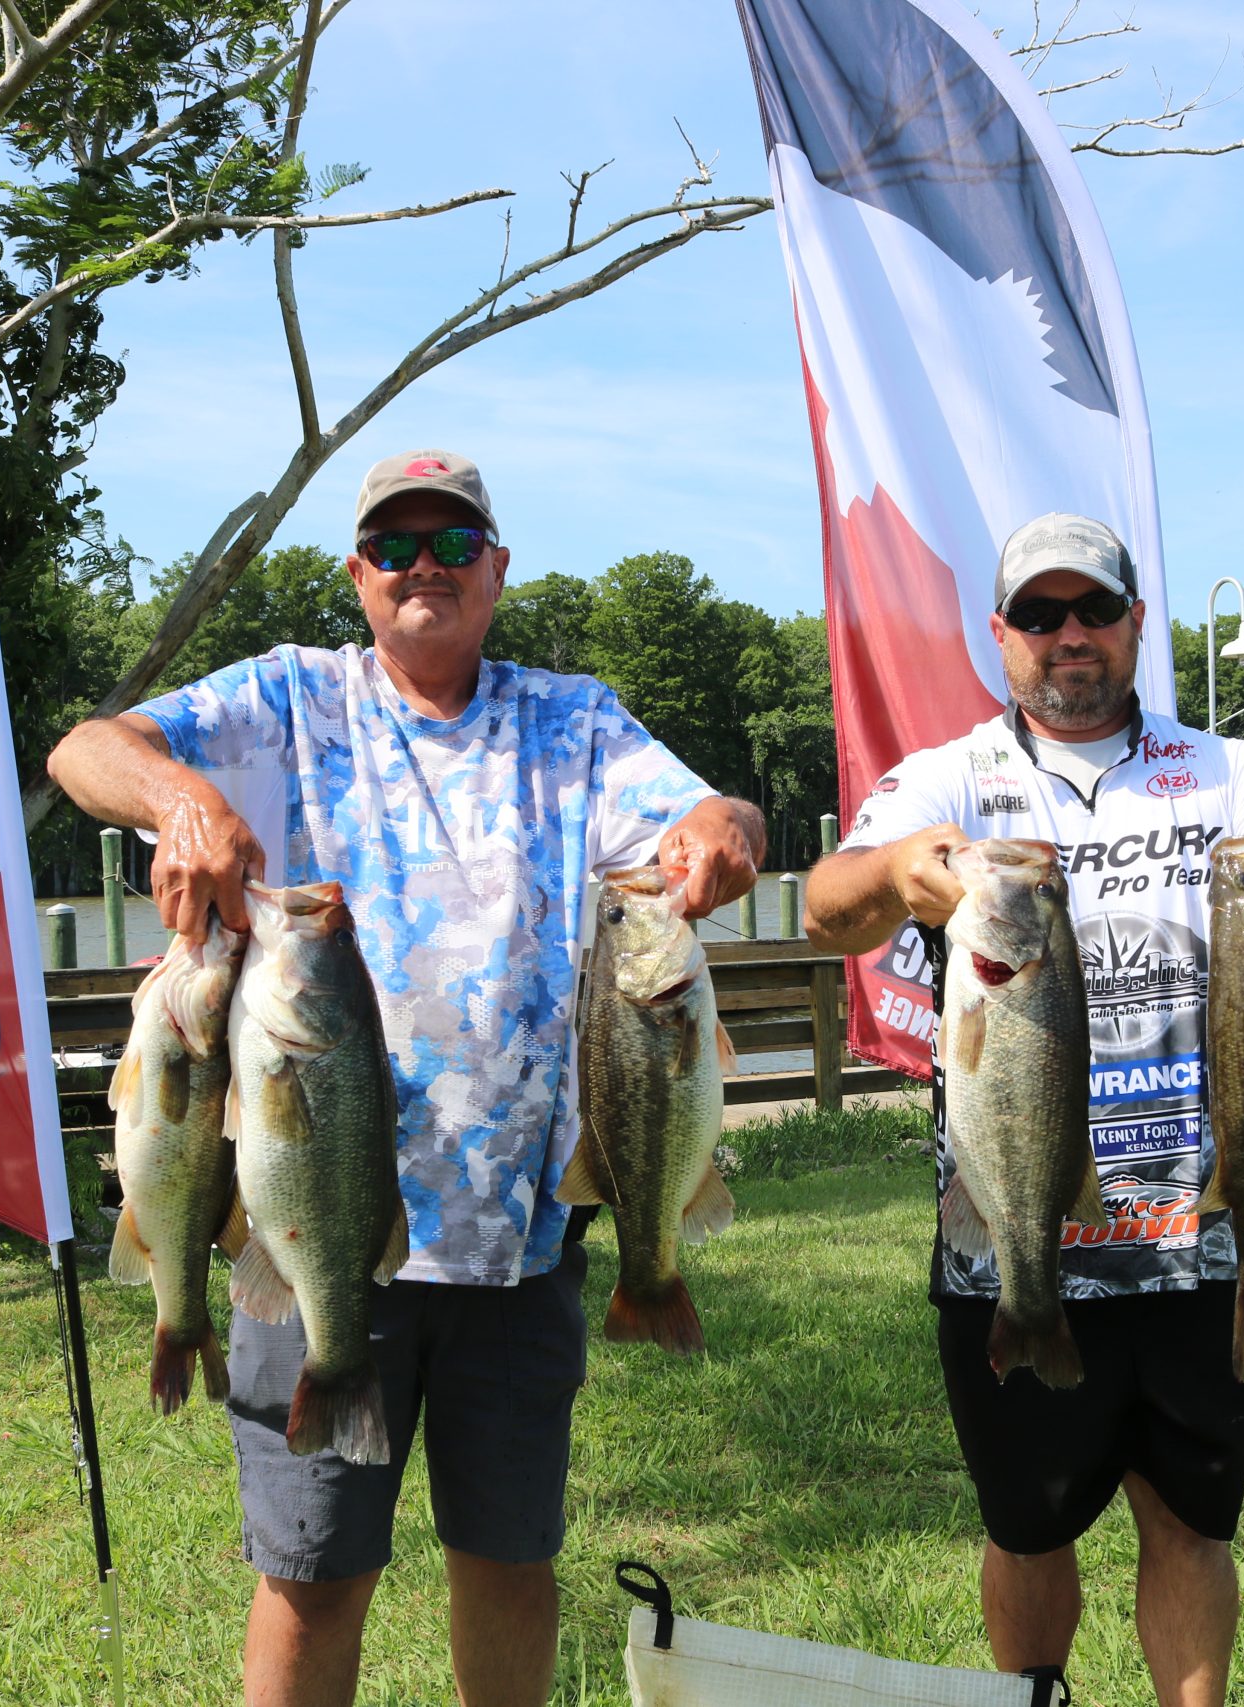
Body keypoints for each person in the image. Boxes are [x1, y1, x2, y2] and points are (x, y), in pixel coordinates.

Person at [47, 448, 765, 1707]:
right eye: (393, 547)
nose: (422, 568)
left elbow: (707, 818)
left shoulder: (575, 720)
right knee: (312, 1577)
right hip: (310, 1224)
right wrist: (177, 800)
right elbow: (83, 750)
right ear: (356, 575)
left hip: (518, 1244)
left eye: (451, 544)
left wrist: (729, 829)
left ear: (497, 568)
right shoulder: (285, 699)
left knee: (509, 1563)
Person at [800, 513, 1244, 1706]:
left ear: (1135, 624)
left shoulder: (1226, 774)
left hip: (1198, 1242)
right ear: (1001, 635)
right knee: (1029, 1530)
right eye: (1039, 615)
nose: (1067, 636)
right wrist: (893, 871)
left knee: (1191, 1524)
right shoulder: (949, 780)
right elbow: (829, 910)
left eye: (1092, 611)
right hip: (1015, 1234)